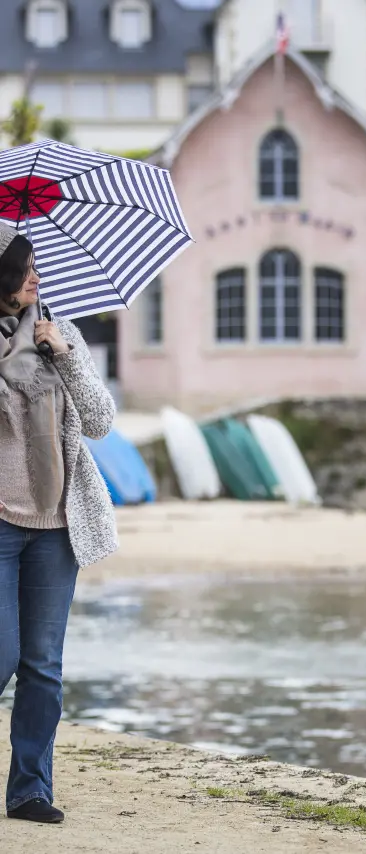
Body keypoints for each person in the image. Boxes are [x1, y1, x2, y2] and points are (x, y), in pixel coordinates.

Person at [0, 222, 118, 825]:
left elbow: (100, 422)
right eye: (24, 268)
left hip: (56, 523)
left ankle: (29, 791)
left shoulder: (62, 332)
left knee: (42, 663)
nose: (35, 277)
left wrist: (64, 356)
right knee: (2, 654)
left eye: (36, 267)